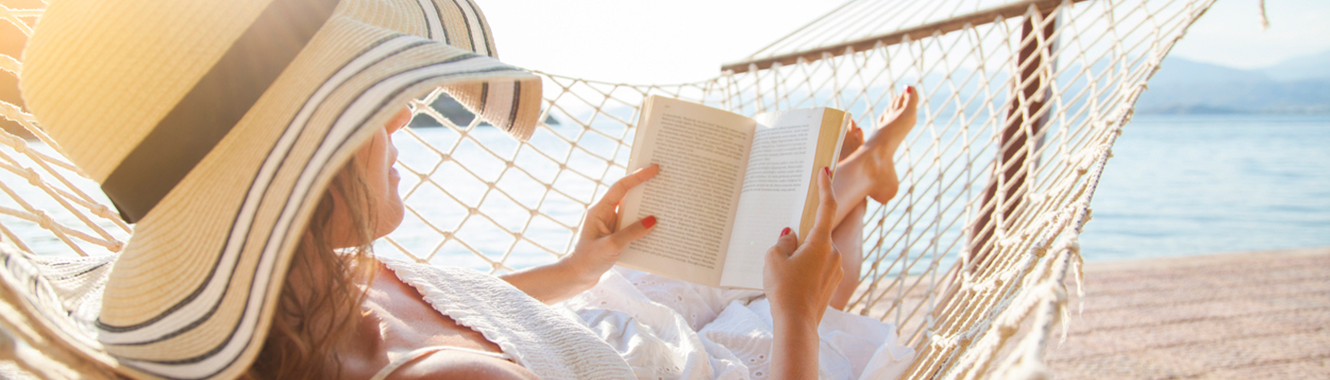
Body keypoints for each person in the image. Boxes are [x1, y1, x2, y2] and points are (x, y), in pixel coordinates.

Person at [18, 0, 916, 379]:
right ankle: (847, 191)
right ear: (293, 166)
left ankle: (842, 182)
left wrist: (574, 264)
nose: (403, 119)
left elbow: (471, 303)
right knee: (793, 300)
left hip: (593, 316)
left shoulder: (298, 295)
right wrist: (797, 323)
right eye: (363, 106)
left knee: (710, 260)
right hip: (670, 368)